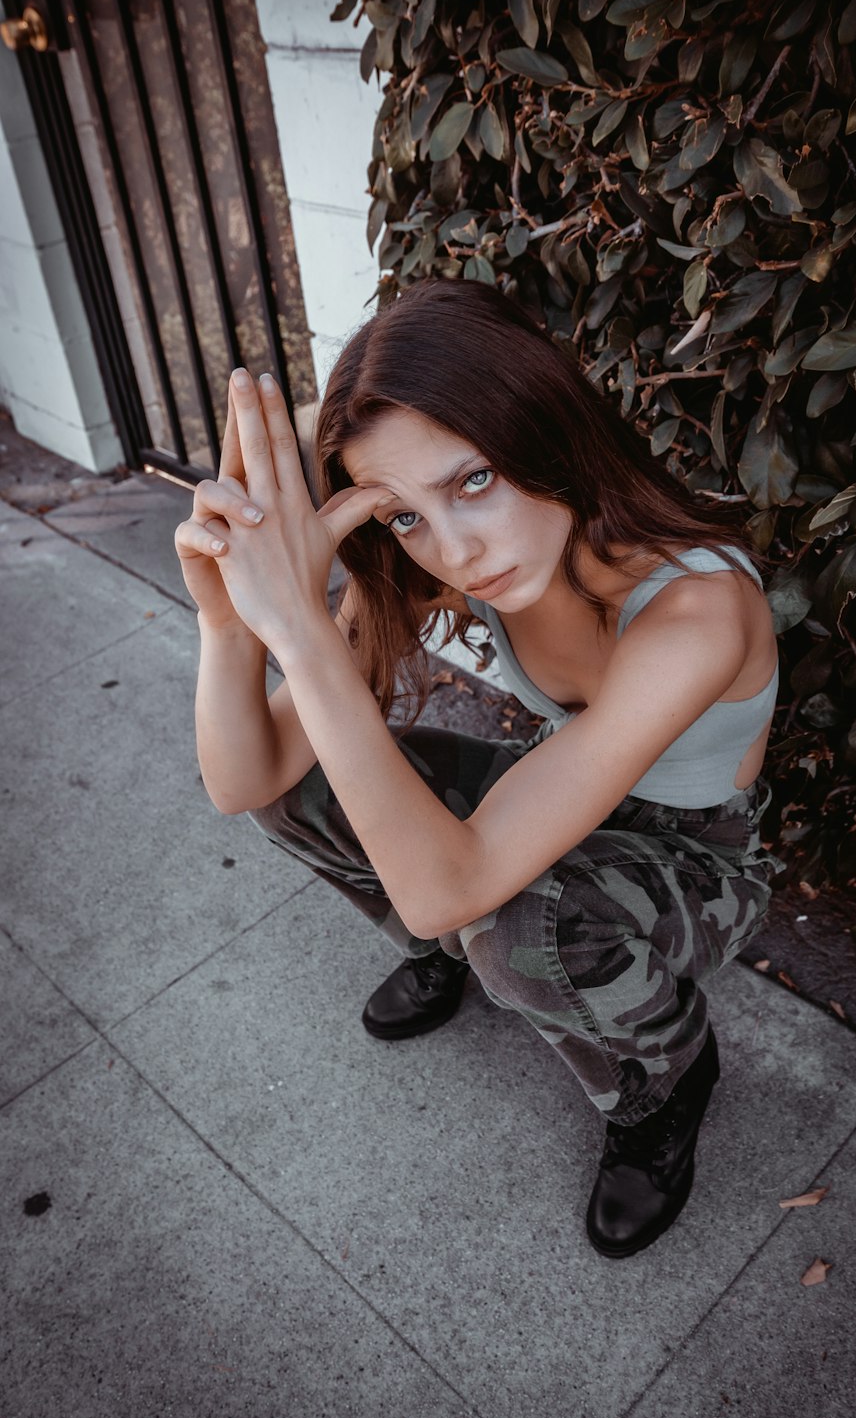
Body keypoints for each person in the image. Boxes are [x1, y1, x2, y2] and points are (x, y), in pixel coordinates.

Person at [174, 278, 781, 1260]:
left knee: (506, 923)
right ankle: (451, 957)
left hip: (697, 851)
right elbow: (247, 782)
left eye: (471, 480)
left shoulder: (696, 611)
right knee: (315, 797)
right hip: (553, 783)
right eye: (404, 516)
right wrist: (227, 623)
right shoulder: (451, 564)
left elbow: (441, 887)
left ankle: (668, 1073)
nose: (453, 550)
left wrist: (301, 629)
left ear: (542, 427)